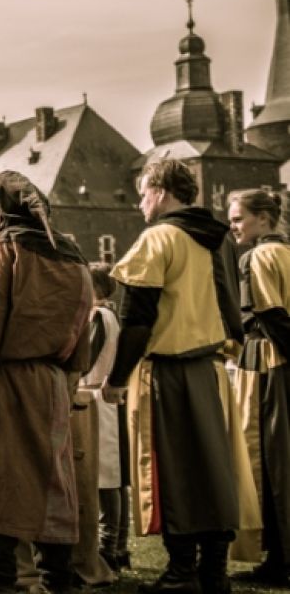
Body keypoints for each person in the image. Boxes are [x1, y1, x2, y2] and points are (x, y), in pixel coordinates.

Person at [105, 159, 257, 594]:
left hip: (168, 374)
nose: (140, 204)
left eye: (142, 193)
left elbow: (136, 320)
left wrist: (117, 379)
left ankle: (181, 573)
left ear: (161, 189)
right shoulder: (220, 239)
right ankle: (214, 572)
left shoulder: (158, 239)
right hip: (211, 372)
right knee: (214, 471)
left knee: (173, 473)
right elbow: (233, 308)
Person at [0, 171, 91, 594]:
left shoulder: (3, 249)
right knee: (53, 483)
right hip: (53, 383)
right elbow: (81, 334)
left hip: (8, 380)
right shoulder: (74, 257)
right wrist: (65, 390)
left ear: (5, 207)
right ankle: (56, 583)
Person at [227, 188, 290, 586]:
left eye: (238, 218)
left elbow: (270, 315)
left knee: (268, 462)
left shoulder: (258, 257)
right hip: (277, 362)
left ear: (263, 218)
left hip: (269, 363)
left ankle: (281, 558)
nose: (233, 226)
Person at [84, 263, 131, 575]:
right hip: (102, 397)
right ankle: (118, 544)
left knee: (107, 476)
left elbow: (86, 358)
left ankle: (109, 545)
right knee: (112, 475)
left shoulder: (100, 316)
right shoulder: (108, 316)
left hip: (98, 397)